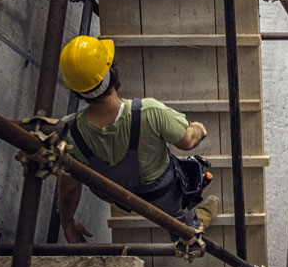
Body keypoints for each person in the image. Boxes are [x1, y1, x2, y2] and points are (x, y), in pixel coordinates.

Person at [54, 35, 219, 243]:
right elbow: (187, 142)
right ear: (111, 72)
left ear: (76, 89)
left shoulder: (69, 132)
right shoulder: (150, 112)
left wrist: (67, 223)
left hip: (118, 197)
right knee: (180, 218)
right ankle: (191, 229)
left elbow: (69, 188)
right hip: (161, 195)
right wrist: (198, 129)